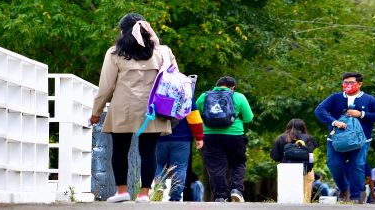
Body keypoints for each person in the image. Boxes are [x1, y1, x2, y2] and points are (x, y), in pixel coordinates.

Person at [90, 13, 177, 203]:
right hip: (153, 108)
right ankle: (144, 193)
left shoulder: (114, 53)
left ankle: (122, 191)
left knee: (119, 150)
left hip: (123, 108)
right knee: (149, 151)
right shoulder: (163, 52)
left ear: (123, 31)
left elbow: (106, 86)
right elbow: (174, 79)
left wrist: (96, 112)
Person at [314, 72, 375, 203]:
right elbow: (319, 111)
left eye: (351, 83)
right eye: (345, 83)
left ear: (359, 84)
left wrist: (362, 114)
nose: (348, 85)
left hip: (361, 140)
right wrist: (334, 122)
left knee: (357, 165)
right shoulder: (335, 98)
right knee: (333, 164)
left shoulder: (369, 99)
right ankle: (343, 188)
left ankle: (356, 196)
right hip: (336, 140)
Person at [195, 76, 254, 202]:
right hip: (235, 136)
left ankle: (220, 196)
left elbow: (195, 114)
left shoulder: (204, 96)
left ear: (217, 85)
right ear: (232, 87)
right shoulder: (238, 97)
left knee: (216, 167)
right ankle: (237, 190)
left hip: (210, 136)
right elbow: (249, 118)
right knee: (238, 162)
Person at [154, 106, 204, 201]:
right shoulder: (187, 92)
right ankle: (175, 197)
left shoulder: (159, 91)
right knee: (180, 167)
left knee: (160, 163)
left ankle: (159, 186)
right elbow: (194, 117)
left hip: (160, 135)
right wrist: (199, 137)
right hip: (182, 137)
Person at [270, 118, 318, 202]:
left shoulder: (280, 138)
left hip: (287, 171)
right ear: (303, 127)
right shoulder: (309, 138)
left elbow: (275, 156)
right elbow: (311, 154)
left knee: (287, 197)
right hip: (306, 170)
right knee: (305, 199)